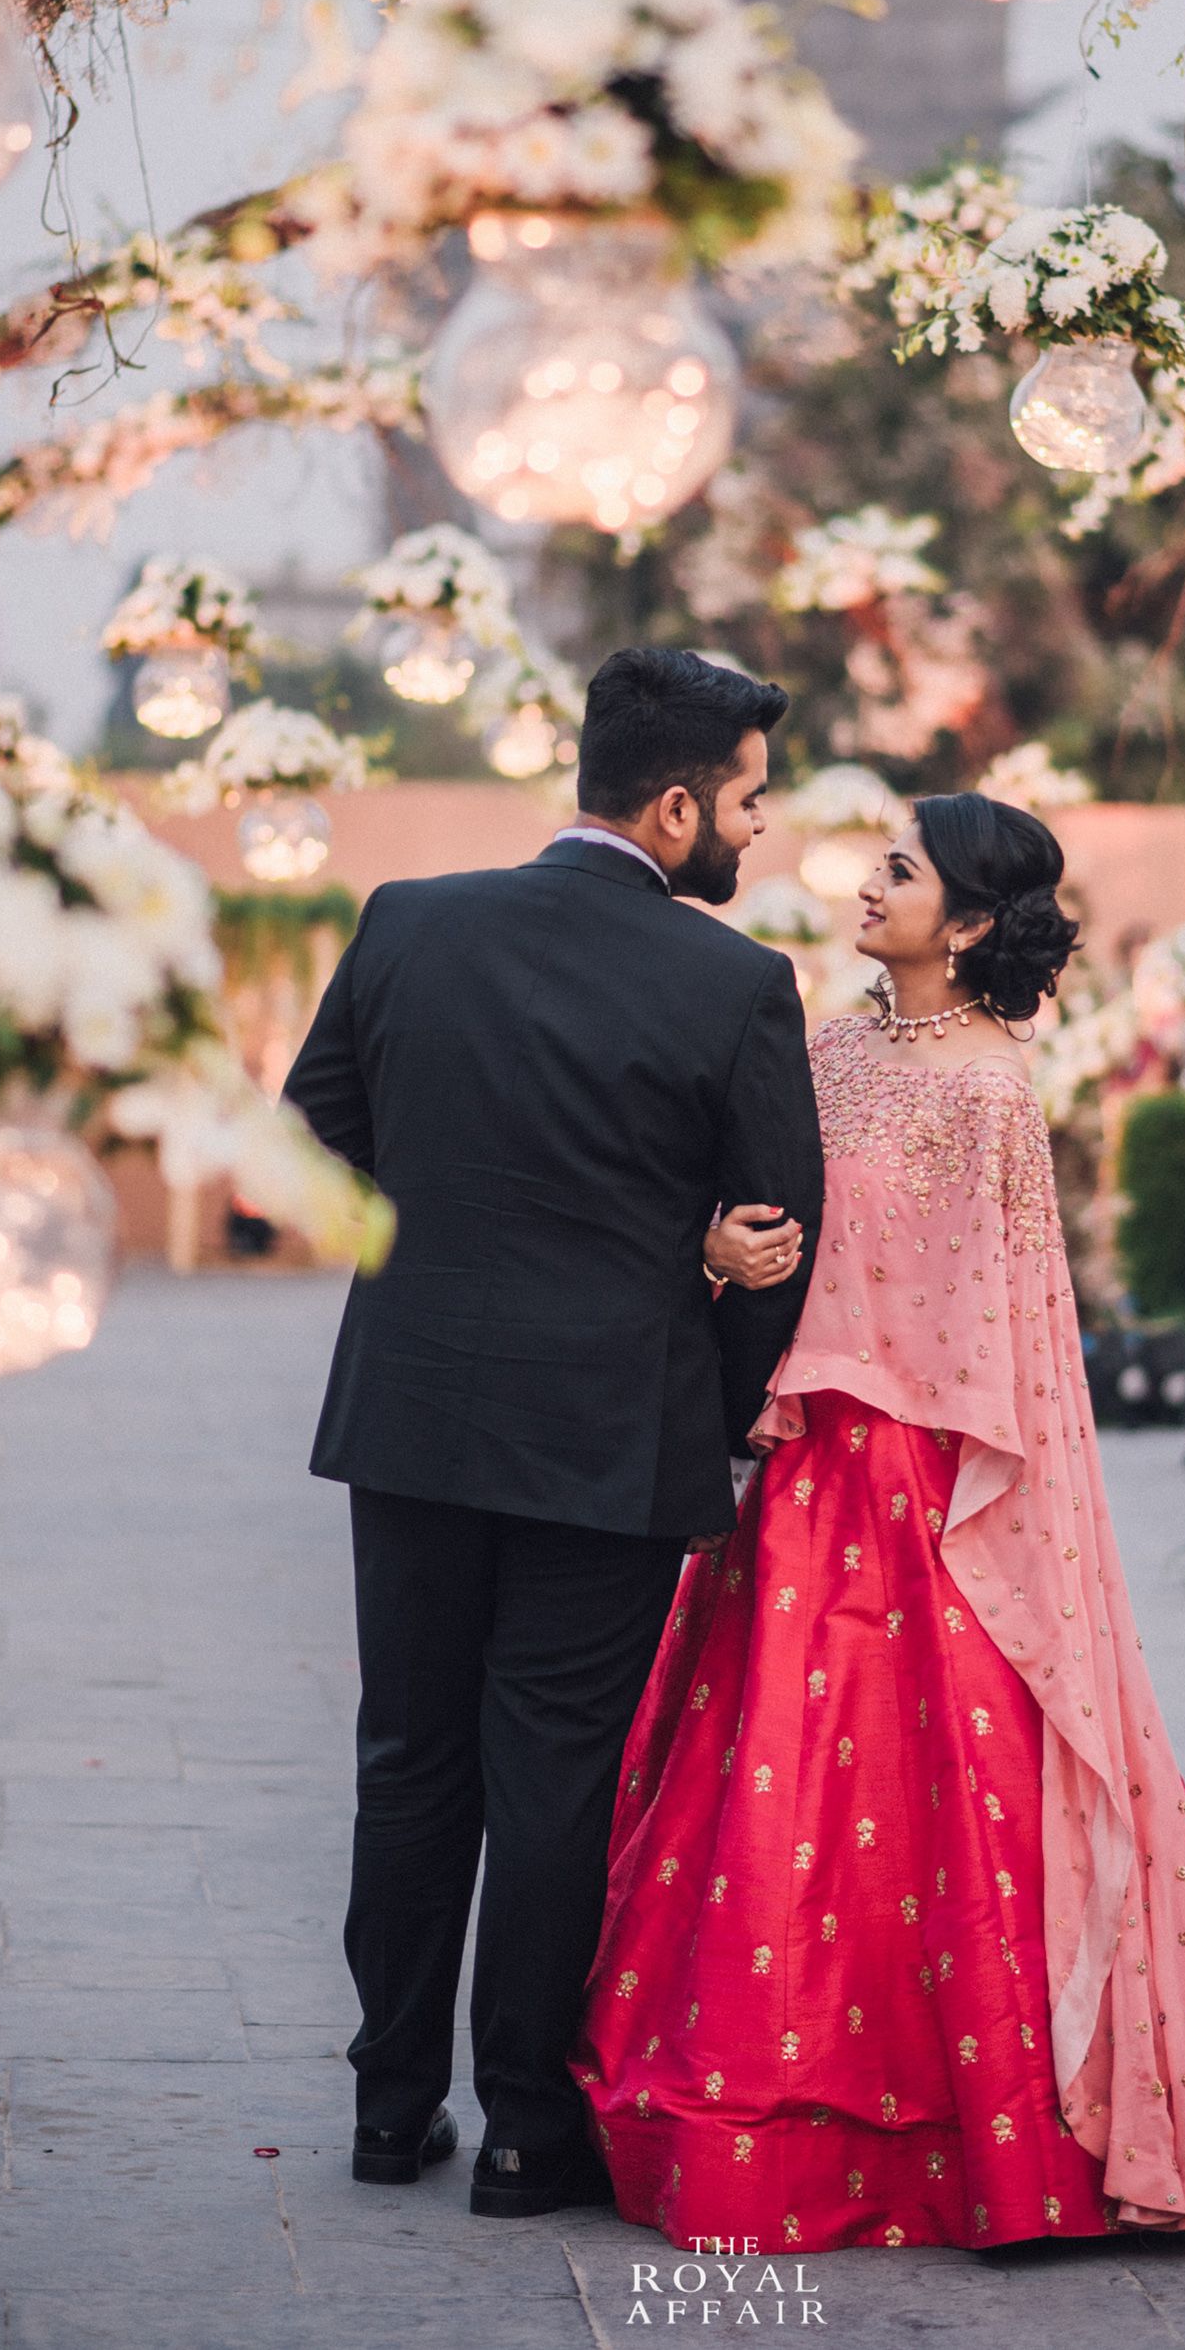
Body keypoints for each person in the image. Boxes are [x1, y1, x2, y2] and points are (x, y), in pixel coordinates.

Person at [574, 794, 1185, 2253]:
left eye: (901, 871)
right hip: (801, 1459)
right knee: (756, 1774)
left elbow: (996, 1313)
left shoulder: (992, 1086)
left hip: (911, 1475)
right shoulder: (839, 1042)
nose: (870, 888)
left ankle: (968, 2127)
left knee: (922, 1782)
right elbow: (775, 1216)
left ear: (975, 921)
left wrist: (831, 1387)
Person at [283, 646, 825, 2221]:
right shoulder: (733, 984)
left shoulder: (407, 921)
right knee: (553, 1786)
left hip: (415, 1410)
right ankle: (525, 2131)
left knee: (407, 1764)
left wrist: (447, 1221)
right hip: (610, 1435)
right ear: (673, 808)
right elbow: (773, 1233)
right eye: (747, 802)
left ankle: (390, 2112)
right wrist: (713, 1391)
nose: (757, 832)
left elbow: (319, 1128)